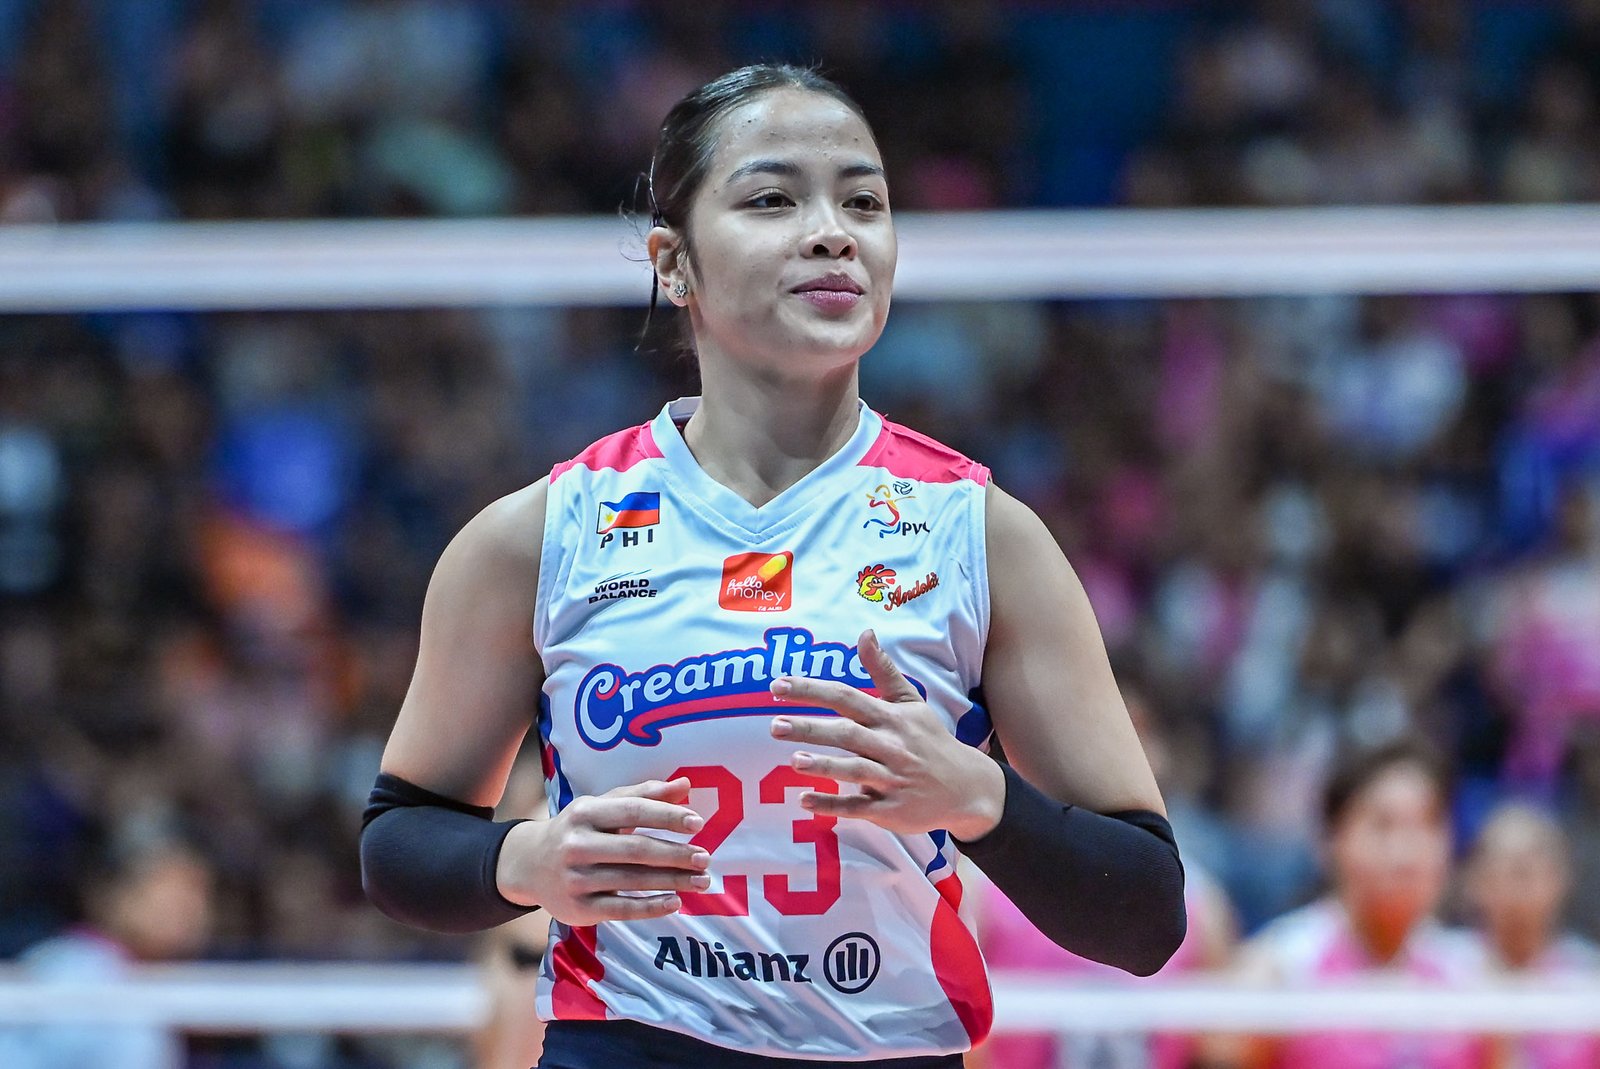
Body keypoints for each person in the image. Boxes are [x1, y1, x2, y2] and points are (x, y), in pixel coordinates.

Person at [360, 63, 1186, 1068]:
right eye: (772, 199)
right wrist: (526, 858)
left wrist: (980, 797)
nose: (833, 231)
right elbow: (398, 841)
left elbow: (1147, 916)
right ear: (673, 263)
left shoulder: (980, 534)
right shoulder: (539, 535)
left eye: (864, 202)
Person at [1211, 736, 1487, 1069]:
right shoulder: (1278, 972)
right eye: (1383, 825)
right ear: (1330, 839)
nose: (1407, 851)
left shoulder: (1473, 981)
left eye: (1428, 823)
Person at [0, 837, 215, 1069]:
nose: (189, 908)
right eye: (171, 890)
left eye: (197, 892)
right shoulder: (72, 972)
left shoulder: (154, 979)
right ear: (117, 895)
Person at [1462, 801, 1600, 1069]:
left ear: (1560, 878)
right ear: (1476, 879)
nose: (1519, 881)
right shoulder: (1446, 973)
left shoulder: (1589, 980)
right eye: (1506, 865)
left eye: (1529, 867)